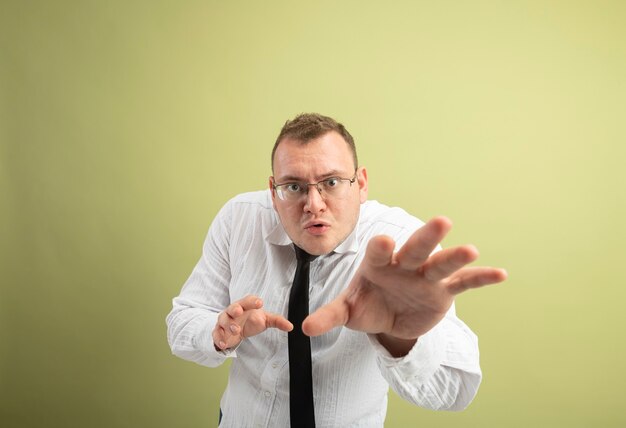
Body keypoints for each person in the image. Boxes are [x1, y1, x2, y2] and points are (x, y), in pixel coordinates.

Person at [166, 113, 507, 427]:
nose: (313, 205)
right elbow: (182, 321)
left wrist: (400, 336)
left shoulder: (403, 246)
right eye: (293, 186)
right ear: (273, 192)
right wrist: (218, 332)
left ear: (360, 185)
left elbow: (455, 391)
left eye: (331, 182)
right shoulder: (238, 219)